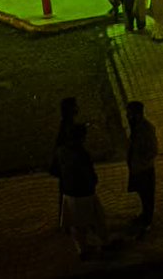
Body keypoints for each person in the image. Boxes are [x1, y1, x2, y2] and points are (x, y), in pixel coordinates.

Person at [57, 123, 108, 260]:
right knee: (95, 219)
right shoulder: (81, 153)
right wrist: (93, 181)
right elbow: (88, 173)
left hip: (69, 192)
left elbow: (56, 169)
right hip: (84, 192)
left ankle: (82, 249)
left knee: (76, 224)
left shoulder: (62, 150)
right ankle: (99, 245)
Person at [125, 101, 158, 237]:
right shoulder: (136, 127)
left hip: (144, 168)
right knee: (142, 193)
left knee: (147, 196)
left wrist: (142, 161)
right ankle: (144, 215)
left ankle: (147, 222)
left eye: (129, 113)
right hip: (137, 167)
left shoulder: (146, 129)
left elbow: (152, 150)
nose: (127, 116)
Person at [49, 97, 82, 231]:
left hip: (66, 167)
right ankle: (69, 223)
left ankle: (67, 222)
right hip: (69, 168)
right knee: (69, 195)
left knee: (66, 194)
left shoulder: (66, 124)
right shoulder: (69, 126)